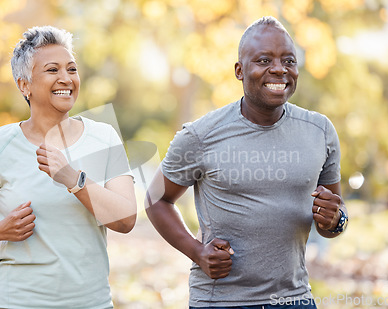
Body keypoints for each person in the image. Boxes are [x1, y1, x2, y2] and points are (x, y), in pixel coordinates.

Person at [145, 16, 348, 309]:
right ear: (240, 71)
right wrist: (197, 251)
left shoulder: (320, 131)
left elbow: (333, 219)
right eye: (264, 60)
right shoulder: (201, 135)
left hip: (294, 299)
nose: (279, 69)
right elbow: (155, 199)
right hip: (221, 302)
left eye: (288, 61)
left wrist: (335, 219)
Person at [0, 25, 137, 309]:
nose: (66, 78)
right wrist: (0, 230)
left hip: (89, 303)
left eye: (71, 69)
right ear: (24, 85)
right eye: (52, 70)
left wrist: (73, 180)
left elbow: (125, 220)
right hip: (14, 302)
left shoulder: (103, 136)